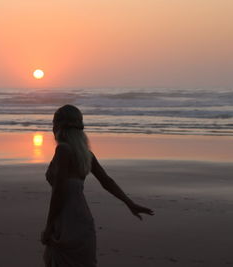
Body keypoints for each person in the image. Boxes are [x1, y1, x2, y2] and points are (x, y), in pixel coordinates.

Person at [41, 104, 154, 267]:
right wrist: (129, 203)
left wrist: (49, 225)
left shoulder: (63, 151)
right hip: (83, 220)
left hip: (67, 221)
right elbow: (107, 181)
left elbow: (59, 192)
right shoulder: (85, 154)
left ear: (58, 126)